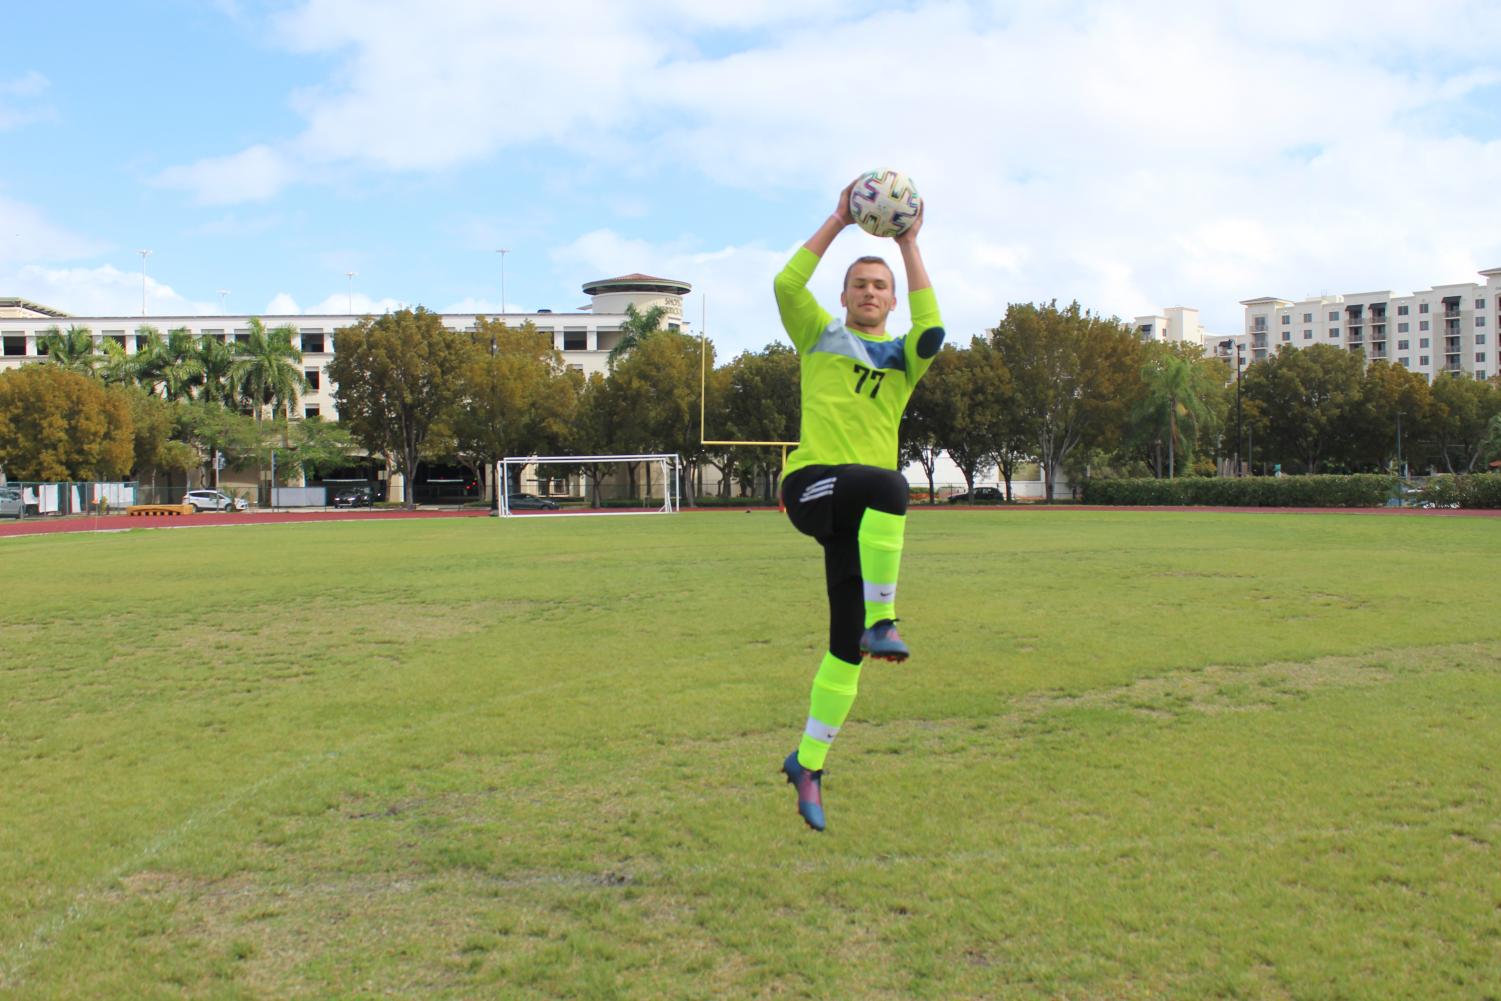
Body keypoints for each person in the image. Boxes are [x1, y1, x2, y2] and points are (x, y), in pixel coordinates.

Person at [774, 177, 944, 832]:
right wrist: (837, 219)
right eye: (858, 285)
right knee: (892, 484)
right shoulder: (816, 334)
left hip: (862, 512)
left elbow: (932, 329)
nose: (869, 293)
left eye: (879, 287)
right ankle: (886, 616)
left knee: (844, 648)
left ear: (890, 298)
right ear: (843, 297)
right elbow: (786, 287)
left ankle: (807, 762)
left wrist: (909, 244)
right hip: (812, 485)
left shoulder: (904, 356)